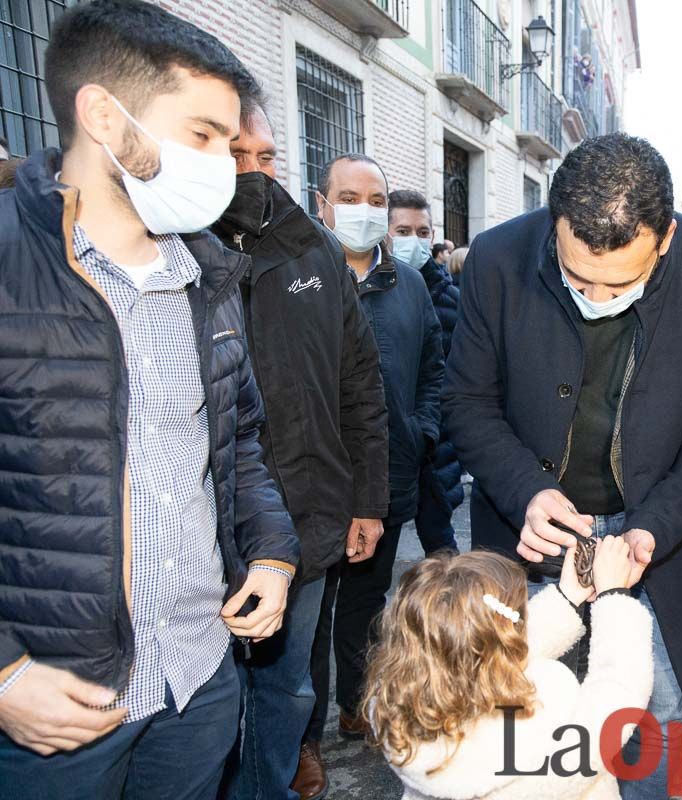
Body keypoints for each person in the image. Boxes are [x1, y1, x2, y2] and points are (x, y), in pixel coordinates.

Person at [0, 2, 300, 797]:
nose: (224, 166)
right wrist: (3, 673)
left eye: (230, 145)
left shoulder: (210, 280)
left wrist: (272, 553)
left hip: (198, 683)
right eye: (202, 135)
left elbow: (236, 444)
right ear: (105, 115)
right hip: (54, 707)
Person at [442, 133, 682, 799]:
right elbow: (467, 403)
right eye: (576, 276)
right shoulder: (496, 258)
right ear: (554, 221)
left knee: (654, 711)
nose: (594, 295)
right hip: (526, 535)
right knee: (512, 705)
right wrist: (526, 491)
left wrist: (654, 525)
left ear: (666, 239)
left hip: (659, 533)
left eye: (620, 283)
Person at [210, 103, 390, 800]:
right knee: (206, 701)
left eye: (265, 156)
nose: (253, 172)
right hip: (199, 531)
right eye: (235, 154)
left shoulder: (313, 249)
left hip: (307, 519)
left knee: (286, 687)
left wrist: (367, 500)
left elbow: (359, 385)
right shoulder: (167, 244)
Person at [296, 155, 444, 798]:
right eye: (350, 196)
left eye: (376, 199)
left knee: (365, 602)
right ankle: (304, 737)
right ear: (322, 203)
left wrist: (421, 428)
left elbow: (434, 369)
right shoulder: (297, 274)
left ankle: (357, 705)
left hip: (387, 479)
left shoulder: (409, 285)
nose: (365, 209)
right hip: (311, 482)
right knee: (306, 617)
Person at [365, 542, 652, 800]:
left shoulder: (398, 703)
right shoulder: (539, 727)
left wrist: (567, 597)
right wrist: (614, 597)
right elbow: (617, 693)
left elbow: (489, 649)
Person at [388, 189, 463, 556]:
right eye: (403, 231)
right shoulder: (368, 291)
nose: (414, 241)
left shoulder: (451, 298)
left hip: (437, 446)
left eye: (422, 232)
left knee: (443, 550)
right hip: (388, 447)